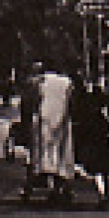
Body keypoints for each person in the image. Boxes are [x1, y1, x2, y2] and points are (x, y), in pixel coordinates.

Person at [23, 61, 75, 205]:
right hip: (62, 121)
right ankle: (61, 188)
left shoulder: (38, 82)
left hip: (43, 120)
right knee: (61, 156)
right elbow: (72, 102)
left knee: (40, 156)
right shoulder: (67, 82)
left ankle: (31, 188)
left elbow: (31, 102)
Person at [72, 81, 109, 209]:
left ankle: (103, 195)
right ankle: (104, 194)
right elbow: (108, 128)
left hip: (94, 147)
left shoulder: (88, 116)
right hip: (104, 145)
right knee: (103, 173)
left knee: (97, 172)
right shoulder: (103, 117)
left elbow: (83, 131)